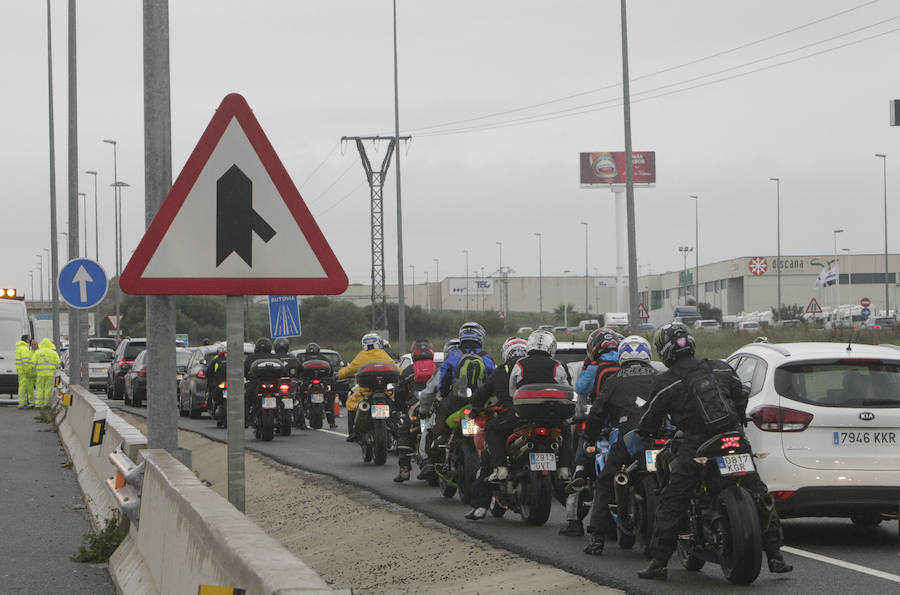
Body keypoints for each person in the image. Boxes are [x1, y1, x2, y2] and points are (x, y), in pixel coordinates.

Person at [636, 322, 792, 581]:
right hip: (732, 437)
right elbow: (741, 393)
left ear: (664, 351)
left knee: (673, 498)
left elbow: (651, 416)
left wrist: (643, 432)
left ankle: (659, 562)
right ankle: (775, 555)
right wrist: (738, 419)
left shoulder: (667, 380)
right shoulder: (721, 366)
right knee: (757, 491)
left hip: (697, 444)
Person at [579, 335, 657, 555]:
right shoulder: (659, 376)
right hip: (661, 438)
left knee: (605, 481)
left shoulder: (615, 378)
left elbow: (596, 413)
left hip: (631, 438)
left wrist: (589, 438)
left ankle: (596, 538)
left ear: (622, 356)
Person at [559, 327, 622, 537]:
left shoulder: (595, 366)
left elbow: (581, 388)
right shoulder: (627, 364)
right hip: (625, 425)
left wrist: (588, 367)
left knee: (581, 467)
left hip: (600, 422)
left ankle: (573, 522)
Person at [464, 336, 527, 520]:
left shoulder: (501, 370)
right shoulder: (530, 367)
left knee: (487, 451)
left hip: (508, 418)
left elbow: (481, 394)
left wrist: (473, 408)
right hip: (536, 418)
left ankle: (482, 504)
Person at [502, 329, 572, 482]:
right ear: (551, 347)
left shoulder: (520, 364)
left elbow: (512, 391)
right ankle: (564, 469)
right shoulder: (557, 365)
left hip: (524, 416)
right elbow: (567, 389)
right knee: (566, 432)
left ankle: (501, 468)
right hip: (553, 416)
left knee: (498, 430)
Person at [435, 323, 496, 443]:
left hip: (456, 401)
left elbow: (444, 381)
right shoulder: (486, 357)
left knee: (440, 411)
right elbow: (493, 381)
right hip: (480, 402)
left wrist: (443, 395)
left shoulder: (454, 355)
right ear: (480, 337)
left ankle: (442, 439)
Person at [338, 333, 397, 442]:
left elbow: (349, 369)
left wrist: (339, 374)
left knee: (351, 404)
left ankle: (353, 432)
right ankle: (396, 429)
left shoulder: (362, 355)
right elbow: (397, 369)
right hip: (385, 391)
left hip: (365, 392)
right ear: (378, 344)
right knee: (395, 405)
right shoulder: (383, 354)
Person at [394, 338, 437, 482]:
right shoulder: (438, 368)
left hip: (415, 407)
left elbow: (399, 393)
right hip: (435, 406)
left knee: (404, 432)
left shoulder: (407, 371)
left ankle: (404, 470)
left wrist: (400, 408)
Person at [299, 342, 338, 428]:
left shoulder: (303, 358)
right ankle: (331, 422)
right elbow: (331, 372)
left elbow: (299, 371)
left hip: (310, 383)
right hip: (320, 383)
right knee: (329, 400)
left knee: (300, 399)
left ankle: (300, 422)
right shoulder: (324, 358)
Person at [273, 338, 305, 429]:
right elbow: (302, 370)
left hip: (277, 384)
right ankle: (302, 423)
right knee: (297, 399)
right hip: (291, 384)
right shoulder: (292, 358)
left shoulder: (272, 358)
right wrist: (298, 378)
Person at [244, 337, 276, 424]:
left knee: (246, 399)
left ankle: (245, 420)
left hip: (256, 384)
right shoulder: (274, 357)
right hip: (273, 385)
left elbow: (245, 371)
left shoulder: (250, 358)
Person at [31, 338, 60, 408]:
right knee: (48, 389)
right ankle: (45, 404)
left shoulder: (37, 352)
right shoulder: (54, 353)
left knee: (39, 389)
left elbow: (33, 364)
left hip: (40, 374)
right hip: (50, 375)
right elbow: (58, 364)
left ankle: (38, 404)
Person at [15, 334, 34, 409]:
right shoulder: (24, 349)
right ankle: (22, 403)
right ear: (26, 340)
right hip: (24, 371)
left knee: (23, 387)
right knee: (24, 387)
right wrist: (28, 371)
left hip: (21, 371)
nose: (30, 341)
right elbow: (25, 362)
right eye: (29, 339)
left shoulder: (19, 348)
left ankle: (23, 402)